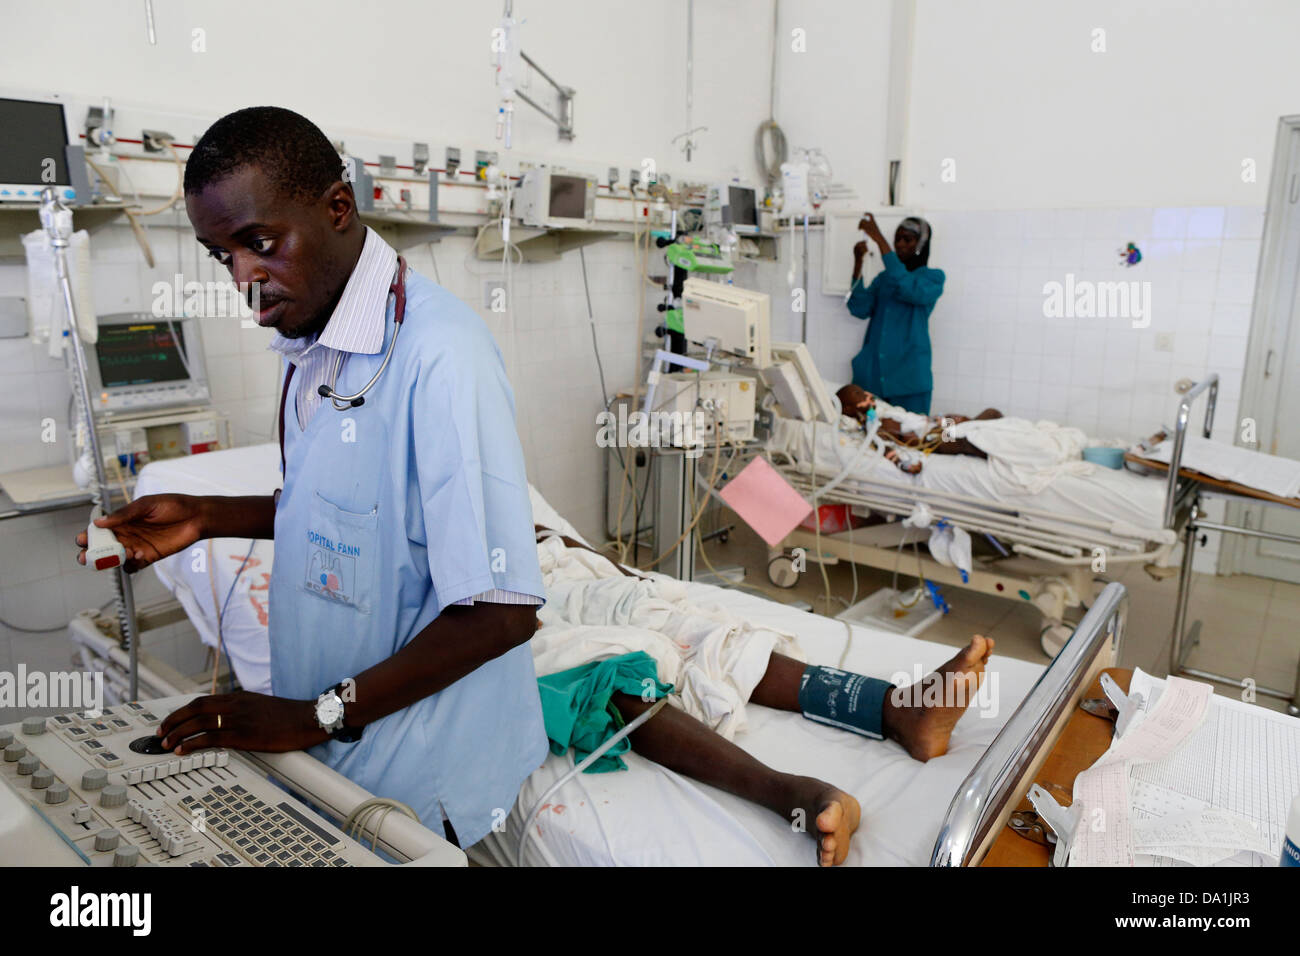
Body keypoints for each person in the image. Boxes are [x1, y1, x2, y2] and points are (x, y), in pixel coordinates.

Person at [75, 107, 546, 851]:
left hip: (422, 767)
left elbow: (502, 613)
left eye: (259, 245)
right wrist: (205, 515)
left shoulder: (442, 357)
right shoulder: (310, 345)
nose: (243, 281)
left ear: (336, 207)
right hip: (332, 743)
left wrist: (309, 715)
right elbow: (341, 513)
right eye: (220, 256)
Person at [532, 525, 996, 867]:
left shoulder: (500, 513)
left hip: (569, 581)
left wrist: (629, 580)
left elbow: (561, 541)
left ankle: (893, 710)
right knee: (610, 674)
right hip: (523, 613)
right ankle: (793, 794)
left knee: (705, 636)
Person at [846, 214, 944, 416]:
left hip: (909, 382)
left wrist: (879, 239)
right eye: (896, 239)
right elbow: (859, 309)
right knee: (866, 440)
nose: (899, 244)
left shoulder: (932, 278)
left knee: (909, 441)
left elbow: (911, 290)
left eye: (907, 240)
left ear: (921, 245)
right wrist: (857, 264)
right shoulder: (884, 279)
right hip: (873, 377)